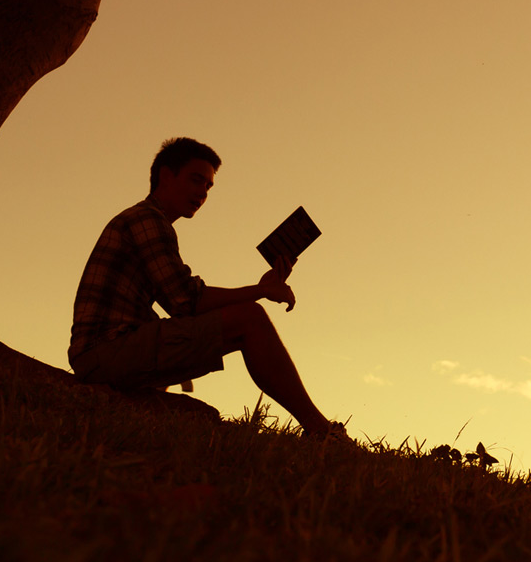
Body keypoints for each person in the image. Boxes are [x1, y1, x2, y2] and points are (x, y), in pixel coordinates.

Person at [69, 136, 343, 439]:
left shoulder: (150, 222)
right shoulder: (147, 220)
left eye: (208, 187)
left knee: (212, 330)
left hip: (107, 351)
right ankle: (321, 431)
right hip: (105, 352)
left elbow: (181, 306)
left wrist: (261, 287)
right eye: (196, 180)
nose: (202, 193)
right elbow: (187, 301)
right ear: (166, 175)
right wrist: (260, 292)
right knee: (250, 319)